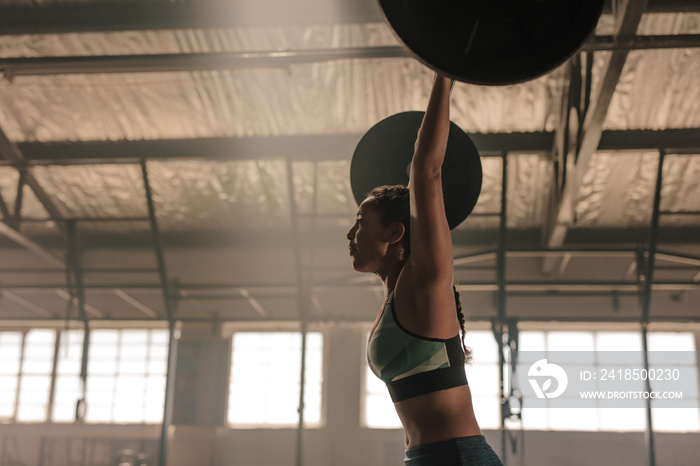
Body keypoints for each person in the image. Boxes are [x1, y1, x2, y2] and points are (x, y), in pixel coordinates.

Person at [346, 73, 504, 466]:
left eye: (361, 222)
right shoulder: (393, 300)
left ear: (396, 232)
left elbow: (426, 170)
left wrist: (444, 69)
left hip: (457, 458)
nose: (350, 233)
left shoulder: (426, 283)